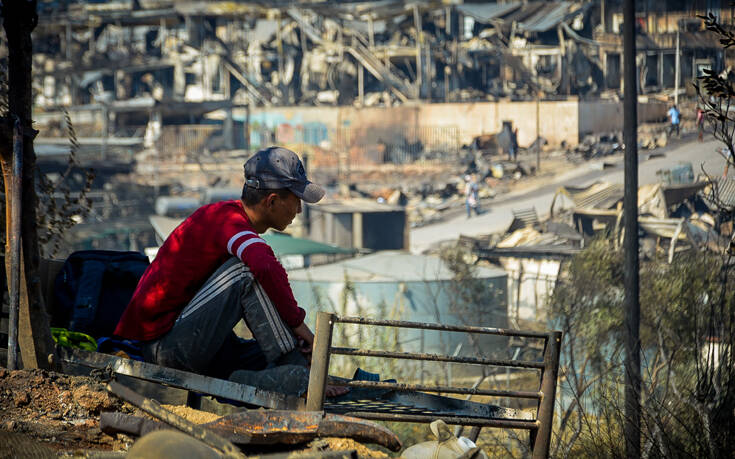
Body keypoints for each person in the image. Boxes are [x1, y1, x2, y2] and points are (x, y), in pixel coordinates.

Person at [114, 146, 347, 397]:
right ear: (272, 201)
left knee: (258, 352)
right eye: (297, 201)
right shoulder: (225, 222)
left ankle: (262, 375)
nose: (299, 210)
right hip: (166, 351)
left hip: (197, 343)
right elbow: (264, 265)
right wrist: (300, 326)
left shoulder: (226, 217)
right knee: (244, 272)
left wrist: (295, 336)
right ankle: (299, 374)